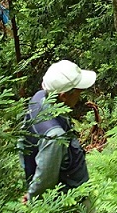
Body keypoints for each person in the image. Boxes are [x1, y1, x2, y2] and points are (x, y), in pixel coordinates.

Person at [20, 59, 95, 202]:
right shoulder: (54, 136)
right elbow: (46, 178)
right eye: (78, 90)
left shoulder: (38, 98)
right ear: (64, 96)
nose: (81, 94)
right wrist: (32, 196)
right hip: (72, 199)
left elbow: (22, 142)